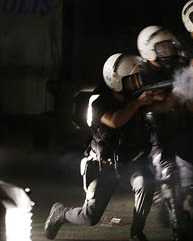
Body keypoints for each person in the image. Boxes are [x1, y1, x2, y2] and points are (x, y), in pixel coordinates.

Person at [44, 54, 157, 241]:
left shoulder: (134, 99)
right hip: (103, 166)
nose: (137, 83)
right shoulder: (99, 102)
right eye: (132, 79)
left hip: (131, 163)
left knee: (145, 184)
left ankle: (136, 233)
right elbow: (115, 121)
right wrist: (140, 102)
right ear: (117, 81)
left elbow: (160, 108)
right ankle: (61, 213)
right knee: (90, 217)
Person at [137, 25, 193, 241]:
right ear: (149, 49)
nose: (168, 51)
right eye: (162, 48)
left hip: (186, 128)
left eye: (169, 46)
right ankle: (178, 228)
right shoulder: (143, 73)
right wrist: (174, 98)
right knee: (169, 176)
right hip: (158, 133)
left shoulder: (181, 63)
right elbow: (152, 106)